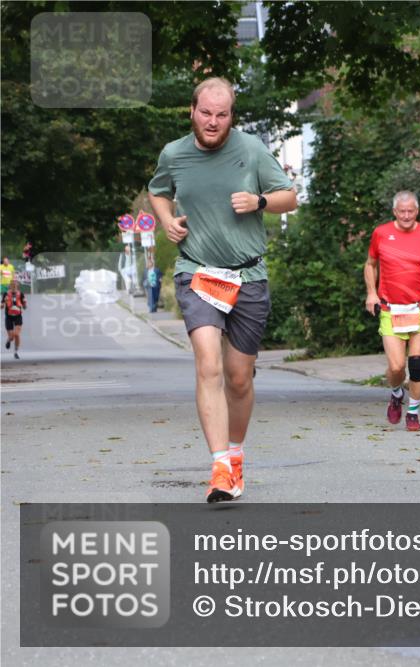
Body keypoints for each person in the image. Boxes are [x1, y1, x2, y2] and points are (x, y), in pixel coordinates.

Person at [147, 77, 296, 503]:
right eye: (206, 113)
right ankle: (218, 468)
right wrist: (166, 218)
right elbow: (158, 192)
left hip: (248, 276)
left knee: (238, 378)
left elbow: (290, 196)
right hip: (198, 273)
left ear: (232, 115)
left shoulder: (250, 150)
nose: (213, 122)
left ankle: (235, 454)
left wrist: (260, 202)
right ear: (192, 111)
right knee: (208, 365)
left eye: (222, 114)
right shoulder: (174, 154)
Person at [365, 191, 420, 432]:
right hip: (391, 310)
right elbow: (370, 265)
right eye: (401, 211)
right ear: (394, 212)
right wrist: (372, 293)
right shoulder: (381, 233)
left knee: (417, 366)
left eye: (410, 211)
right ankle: (395, 393)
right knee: (395, 368)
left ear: (417, 211)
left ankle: (413, 412)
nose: (406, 215)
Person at [4, 280, 26, 359]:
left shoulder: (21, 294)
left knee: (16, 334)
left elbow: (25, 307)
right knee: (11, 337)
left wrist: (24, 303)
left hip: (18, 316)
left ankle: (16, 352)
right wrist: (4, 302)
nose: (13, 287)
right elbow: (2, 306)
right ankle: (9, 340)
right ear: (10, 286)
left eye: (15, 285)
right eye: (12, 285)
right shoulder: (6, 294)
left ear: (17, 286)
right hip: (9, 316)